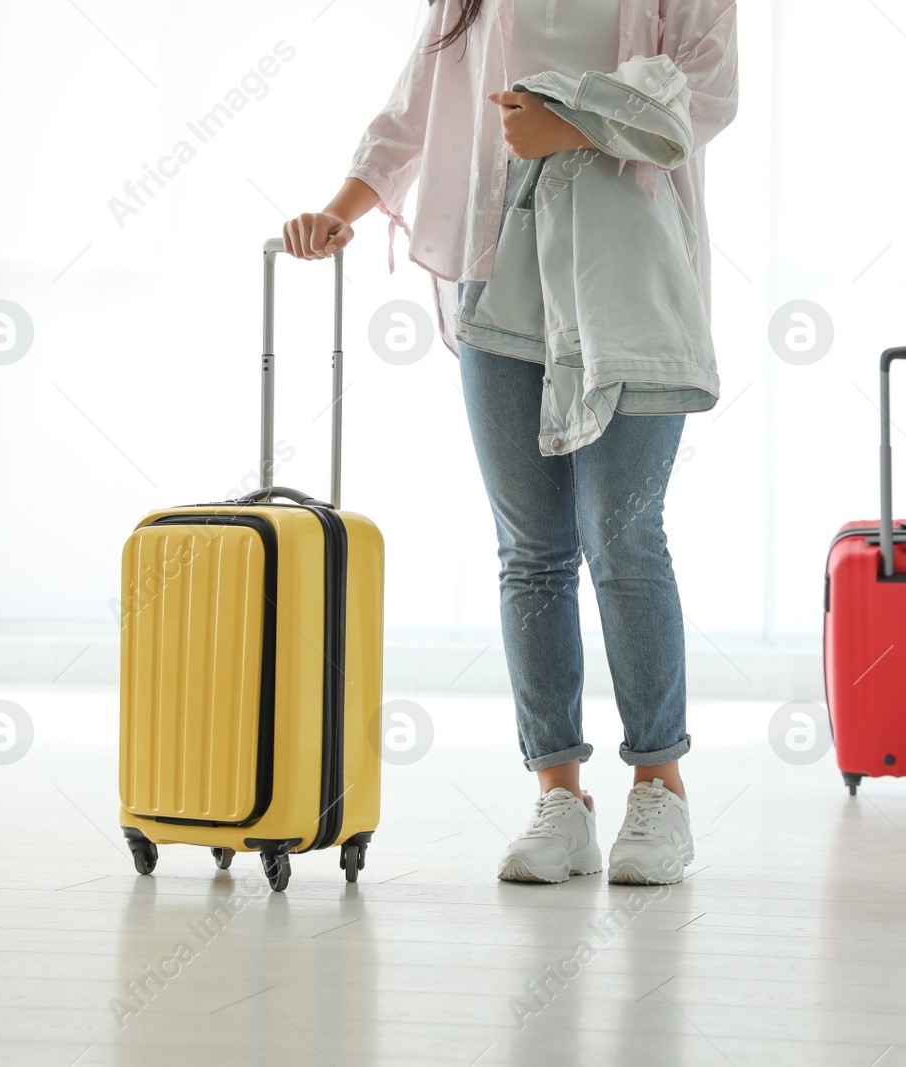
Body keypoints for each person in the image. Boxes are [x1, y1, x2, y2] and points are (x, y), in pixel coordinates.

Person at [283, 0, 737, 882]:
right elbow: (417, 103)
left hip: (629, 277)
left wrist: (572, 123)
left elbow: (707, 94)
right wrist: (343, 210)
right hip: (499, 275)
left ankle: (660, 785)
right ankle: (558, 795)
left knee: (624, 538)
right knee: (532, 550)